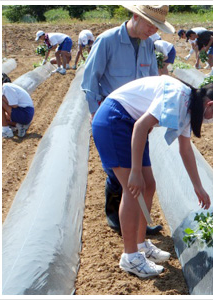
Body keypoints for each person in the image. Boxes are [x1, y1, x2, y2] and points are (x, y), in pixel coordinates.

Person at [91, 75, 213, 278]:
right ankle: (130, 257)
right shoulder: (178, 97)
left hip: (129, 124)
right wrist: (134, 172)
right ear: (210, 105)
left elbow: (185, 150)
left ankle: (141, 244)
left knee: (149, 185)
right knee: (133, 190)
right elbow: (141, 126)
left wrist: (198, 187)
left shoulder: (190, 105)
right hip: (115, 121)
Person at [81, 5, 175, 235]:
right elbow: (90, 81)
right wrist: (96, 113)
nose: (153, 31)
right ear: (135, 16)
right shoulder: (108, 41)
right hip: (113, 118)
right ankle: (116, 215)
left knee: (142, 175)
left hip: (137, 119)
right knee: (119, 174)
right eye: (150, 25)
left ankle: (140, 222)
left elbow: (154, 79)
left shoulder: (148, 44)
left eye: (157, 27)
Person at [2, 73, 35, 138]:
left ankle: (6, 131)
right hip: (26, 113)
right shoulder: (6, 87)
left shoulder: (6, 87)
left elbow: (14, 106)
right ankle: (19, 125)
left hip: (25, 113)